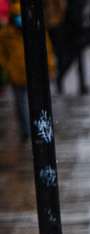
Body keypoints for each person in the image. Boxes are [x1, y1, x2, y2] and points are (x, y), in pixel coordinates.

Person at [0, 0, 57, 142]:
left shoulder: (36, 28)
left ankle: (37, 128)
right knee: (21, 104)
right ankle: (27, 130)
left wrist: (50, 67)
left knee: (37, 102)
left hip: (35, 73)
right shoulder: (6, 33)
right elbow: (1, 54)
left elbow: (47, 49)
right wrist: (8, 68)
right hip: (17, 74)